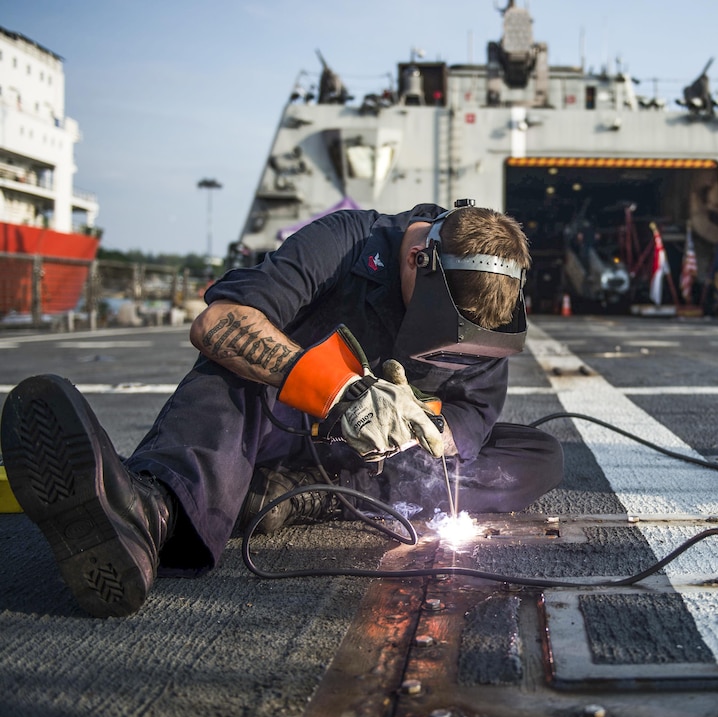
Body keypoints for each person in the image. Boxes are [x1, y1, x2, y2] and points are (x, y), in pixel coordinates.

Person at [0, 202, 564, 618]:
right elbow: (219, 323)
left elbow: (473, 415)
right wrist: (342, 392)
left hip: (370, 459)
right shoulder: (344, 240)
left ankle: (299, 496)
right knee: (232, 373)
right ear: (418, 259)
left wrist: (426, 426)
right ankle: (152, 514)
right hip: (280, 419)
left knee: (534, 454)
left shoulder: (483, 301)